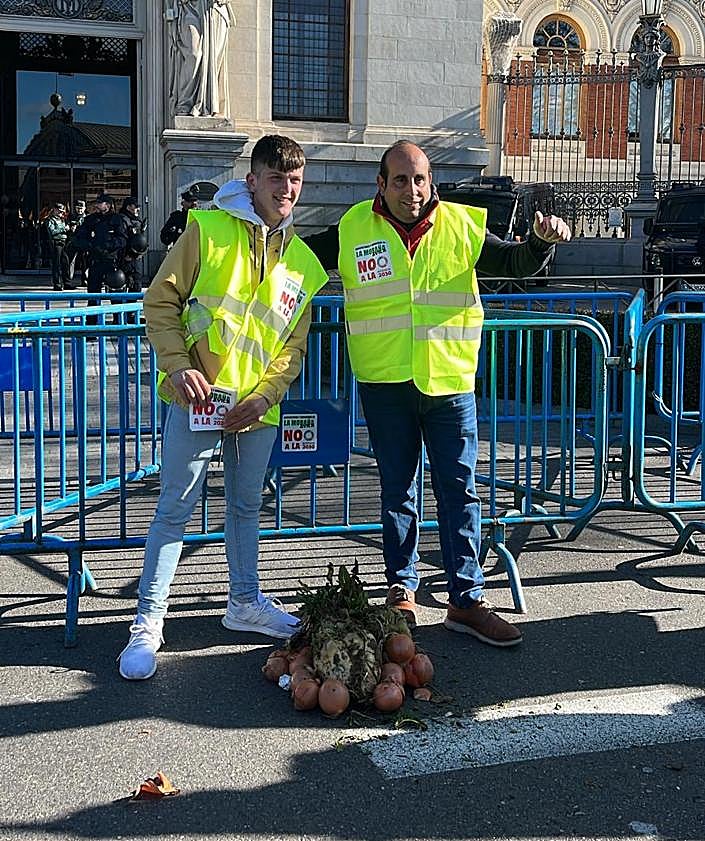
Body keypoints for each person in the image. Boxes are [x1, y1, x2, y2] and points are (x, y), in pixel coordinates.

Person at [304, 140, 571, 647]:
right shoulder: (353, 227)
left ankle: (465, 600)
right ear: (380, 184)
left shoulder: (462, 226)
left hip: (449, 385)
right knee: (397, 494)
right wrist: (244, 222)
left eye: (420, 179)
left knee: (459, 492)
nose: (412, 189)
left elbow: (515, 266)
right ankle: (402, 590)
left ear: (433, 184)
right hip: (386, 384)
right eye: (400, 180)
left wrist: (540, 242)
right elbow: (291, 261)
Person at [118, 134, 328, 680]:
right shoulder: (206, 230)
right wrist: (175, 364)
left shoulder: (304, 261)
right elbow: (159, 300)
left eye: (295, 180)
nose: (287, 189)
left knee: (244, 508)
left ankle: (244, 603)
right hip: (199, 397)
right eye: (277, 178)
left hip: (254, 407)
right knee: (174, 510)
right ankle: (148, 621)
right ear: (252, 179)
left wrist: (264, 397)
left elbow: (293, 346)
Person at [168, 0, 235, 117]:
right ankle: (185, 103)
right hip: (189, 8)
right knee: (194, 54)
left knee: (213, 63)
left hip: (216, 10)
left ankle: (207, 105)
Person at [72, 192, 127, 297]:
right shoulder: (90, 220)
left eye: (100, 203)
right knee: (93, 293)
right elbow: (78, 238)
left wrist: (107, 246)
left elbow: (122, 239)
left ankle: (117, 313)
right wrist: (90, 245)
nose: (96, 205)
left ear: (108, 205)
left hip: (112, 261)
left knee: (115, 294)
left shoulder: (117, 219)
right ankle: (93, 313)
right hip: (95, 260)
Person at [118, 196, 146, 293]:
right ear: (128, 207)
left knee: (136, 286)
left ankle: (132, 307)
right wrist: (127, 255)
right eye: (135, 206)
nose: (138, 209)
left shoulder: (137, 220)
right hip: (125, 258)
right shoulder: (122, 220)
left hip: (136, 257)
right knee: (121, 284)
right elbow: (121, 240)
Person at [44, 202, 71, 291]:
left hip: (63, 243)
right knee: (56, 264)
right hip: (56, 243)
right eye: (59, 211)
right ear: (55, 210)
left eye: (62, 211)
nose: (61, 213)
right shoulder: (50, 220)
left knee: (65, 263)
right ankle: (57, 284)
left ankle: (67, 283)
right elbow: (52, 231)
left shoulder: (62, 219)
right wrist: (64, 229)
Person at [66, 199, 87, 286]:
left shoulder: (87, 218)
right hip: (74, 242)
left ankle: (85, 280)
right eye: (78, 208)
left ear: (84, 208)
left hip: (84, 242)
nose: (80, 210)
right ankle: (68, 280)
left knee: (85, 262)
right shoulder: (71, 217)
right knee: (71, 261)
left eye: (81, 208)